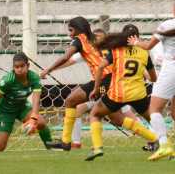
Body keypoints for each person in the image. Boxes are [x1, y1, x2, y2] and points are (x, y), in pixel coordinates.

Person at [40, 17, 139, 151]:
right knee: (77, 103)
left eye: (70, 30)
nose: (69, 34)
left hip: (104, 80)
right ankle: (71, 142)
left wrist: (48, 69)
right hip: (113, 80)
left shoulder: (80, 39)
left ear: (77, 29)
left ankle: (70, 142)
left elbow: (66, 57)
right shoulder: (97, 42)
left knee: (110, 115)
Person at [85, 24, 158, 161]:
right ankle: (164, 143)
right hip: (138, 94)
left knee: (95, 113)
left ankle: (97, 148)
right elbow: (154, 78)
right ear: (137, 37)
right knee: (153, 118)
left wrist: (96, 88)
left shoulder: (116, 51)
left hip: (118, 94)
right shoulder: (144, 53)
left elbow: (100, 67)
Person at [0, 52, 52, 152]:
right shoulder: (7, 81)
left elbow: (36, 100)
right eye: (16, 67)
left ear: (28, 66)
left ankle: (50, 145)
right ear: (13, 67)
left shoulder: (34, 78)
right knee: (0, 147)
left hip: (22, 107)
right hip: (4, 111)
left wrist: (33, 118)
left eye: (22, 66)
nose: (19, 69)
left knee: (40, 122)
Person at [127, 3, 175, 161]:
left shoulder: (167, 25)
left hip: (171, 68)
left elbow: (147, 45)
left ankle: (164, 145)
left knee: (154, 108)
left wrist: (135, 42)